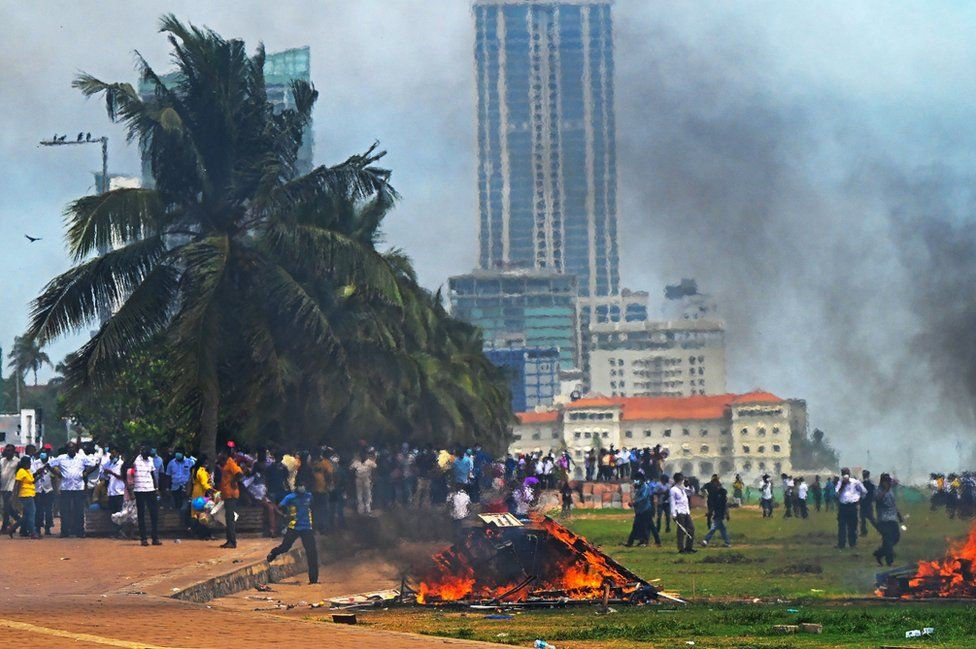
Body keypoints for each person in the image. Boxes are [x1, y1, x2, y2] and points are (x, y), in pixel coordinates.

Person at [266, 482, 319, 584]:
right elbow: (278, 506)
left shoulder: (309, 496)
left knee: (312, 553)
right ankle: (274, 552)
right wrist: (284, 516)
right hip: (294, 527)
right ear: (297, 486)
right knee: (285, 547)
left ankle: (313, 580)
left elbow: (313, 508)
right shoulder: (290, 497)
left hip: (307, 528)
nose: (302, 487)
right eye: (300, 485)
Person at [48, 441, 98, 537]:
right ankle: (65, 531)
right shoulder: (61, 458)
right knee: (65, 511)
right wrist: (57, 474)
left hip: (78, 487)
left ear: (75, 449)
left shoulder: (82, 457)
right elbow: (49, 465)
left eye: (73, 448)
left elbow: (94, 464)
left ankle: (79, 531)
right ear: (67, 449)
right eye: (69, 448)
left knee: (79, 511)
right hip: (65, 488)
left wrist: (86, 473)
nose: (71, 449)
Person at [133, 446, 161, 546]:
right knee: (141, 515)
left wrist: (156, 488)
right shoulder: (135, 460)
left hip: (150, 489)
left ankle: (155, 538)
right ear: (141, 451)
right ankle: (143, 538)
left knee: (154, 514)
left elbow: (153, 474)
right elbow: (130, 472)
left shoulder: (150, 460)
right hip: (139, 490)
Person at [873, 473, 903, 567]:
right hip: (883, 520)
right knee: (888, 540)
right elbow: (877, 499)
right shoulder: (878, 491)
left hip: (892, 518)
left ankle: (879, 553)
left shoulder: (890, 491)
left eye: (889, 481)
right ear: (882, 482)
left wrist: (899, 516)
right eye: (886, 481)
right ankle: (889, 561)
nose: (888, 483)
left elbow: (893, 504)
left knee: (896, 537)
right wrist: (885, 490)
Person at [835, 467, 867, 549]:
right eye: (843, 473)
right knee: (841, 525)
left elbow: (864, 491)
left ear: (849, 474)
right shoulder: (840, 482)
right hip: (843, 506)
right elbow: (836, 494)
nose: (845, 475)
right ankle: (841, 544)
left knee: (852, 525)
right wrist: (843, 485)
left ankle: (852, 543)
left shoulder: (855, 482)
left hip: (852, 505)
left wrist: (859, 499)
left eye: (846, 473)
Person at [217, 449, 244, 548]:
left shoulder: (230, 463)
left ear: (225, 453)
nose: (219, 455)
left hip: (231, 494)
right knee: (228, 518)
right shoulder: (225, 464)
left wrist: (233, 481)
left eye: (221, 453)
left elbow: (239, 474)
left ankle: (232, 541)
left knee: (230, 518)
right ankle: (229, 540)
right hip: (227, 494)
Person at [624, 473, 658, 547]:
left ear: (641, 479)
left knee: (647, 526)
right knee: (638, 526)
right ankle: (633, 542)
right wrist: (633, 502)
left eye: (637, 479)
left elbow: (643, 497)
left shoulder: (645, 487)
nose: (635, 481)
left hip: (646, 510)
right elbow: (636, 497)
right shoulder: (638, 488)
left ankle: (644, 542)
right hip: (640, 510)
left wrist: (634, 502)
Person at [9, 456, 38, 539]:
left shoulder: (27, 471)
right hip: (25, 496)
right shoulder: (21, 471)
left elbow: (31, 482)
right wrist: (14, 496)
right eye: (28, 463)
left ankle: (12, 528)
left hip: (30, 494)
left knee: (26, 516)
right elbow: (17, 484)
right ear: (24, 464)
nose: (29, 465)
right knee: (31, 514)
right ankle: (33, 532)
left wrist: (39, 475)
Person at [100, 449, 127, 538]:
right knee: (113, 513)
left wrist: (112, 473)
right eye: (111, 453)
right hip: (111, 492)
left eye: (114, 453)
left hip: (120, 491)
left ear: (118, 454)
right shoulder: (109, 464)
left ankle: (121, 531)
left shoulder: (122, 464)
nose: (112, 455)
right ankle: (115, 531)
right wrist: (106, 474)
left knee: (120, 512)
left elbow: (123, 477)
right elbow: (104, 477)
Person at [189, 455, 214, 540]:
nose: (206, 464)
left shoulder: (194, 470)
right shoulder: (202, 471)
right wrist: (211, 490)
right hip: (202, 494)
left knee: (195, 514)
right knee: (204, 515)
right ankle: (205, 534)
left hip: (195, 493)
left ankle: (195, 533)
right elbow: (204, 484)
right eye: (206, 462)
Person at [670, 472, 695, 554]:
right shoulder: (673, 490)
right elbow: (672, 502)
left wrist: (689, 485)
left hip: (686, 511)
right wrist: (673, 514)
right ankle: (681, 548)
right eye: (682, 479)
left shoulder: (683, 488)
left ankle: (689, 547)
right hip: (679, 511)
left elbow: (691, 492)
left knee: (691, 528)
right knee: (681, 530)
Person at [32, 449, 55, 536]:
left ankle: (48, 527)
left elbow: (55, 475)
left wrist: (50, 468)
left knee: (49, 511)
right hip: (38, 490)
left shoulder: (52, 462)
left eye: (45, 453)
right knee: (39, 510)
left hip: (48, 489)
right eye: (42, 453)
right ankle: (38, 528)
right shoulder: (36, 463)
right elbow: (33, 474)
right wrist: (39, 471)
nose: (43, 455)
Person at [0, 445, 21, 534]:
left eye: (9, 451)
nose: (7, 452)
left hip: (11, 487)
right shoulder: (2, 461)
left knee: (7, 506)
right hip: (2, 486)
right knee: (5, 508)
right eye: (6, 450)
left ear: (13, 452)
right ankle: (21, 520)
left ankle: (4, 527)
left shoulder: (17, 462)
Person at [350, 450, 377, 515]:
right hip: (360, 480)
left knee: (366, 495)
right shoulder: (357, 462)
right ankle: (362, 510)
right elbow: (351, 469)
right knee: (361, 495)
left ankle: (366, 510)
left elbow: (374, 469)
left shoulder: (368, 461)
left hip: (365, 479)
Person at [860, 470, 876, 536]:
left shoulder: (864, 484)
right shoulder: (871, 484)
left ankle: (864, 532)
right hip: (866, 503)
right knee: (864, 519)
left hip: (866, 503)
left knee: (869, 519)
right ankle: (864, 532)